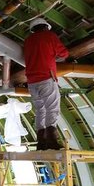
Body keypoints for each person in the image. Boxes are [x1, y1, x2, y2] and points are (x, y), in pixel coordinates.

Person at [23, 18, 69, 150]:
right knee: (52, 109)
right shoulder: (49, 36)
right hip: (46, 78)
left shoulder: (28, 41)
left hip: (32, 82)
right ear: (46, 27)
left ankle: (41, 142)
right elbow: (64, 53)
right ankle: (52, 141)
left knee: (40, 110)